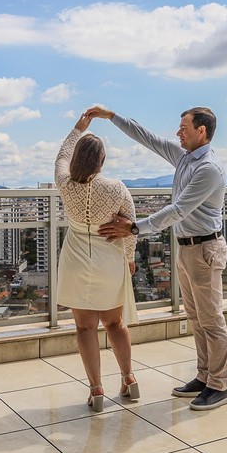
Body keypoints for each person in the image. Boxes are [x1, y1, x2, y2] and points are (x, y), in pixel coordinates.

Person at [84, 104, 227, 411]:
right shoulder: (184, 157)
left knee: (212, 320)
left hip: (205, 250)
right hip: (187, 248)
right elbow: (146, 137)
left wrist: (135, 228)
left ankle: (219, 385)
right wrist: (112, 116)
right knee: (196, 318)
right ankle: (204, 377)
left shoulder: (209, 169)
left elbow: (178, 210)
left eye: (184, 128)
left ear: (201, 131)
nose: (178, 132)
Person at [54, 112, 140, 413]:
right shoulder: (116, 188)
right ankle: (128, 378)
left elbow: (62, 156)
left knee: (85, 328)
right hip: (109, 259)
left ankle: (96, 388)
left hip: (77, 260)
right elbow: (130, 227)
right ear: (101, 162)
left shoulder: (65, 183)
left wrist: (79, 128)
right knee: (115, 323)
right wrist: (129, 259)